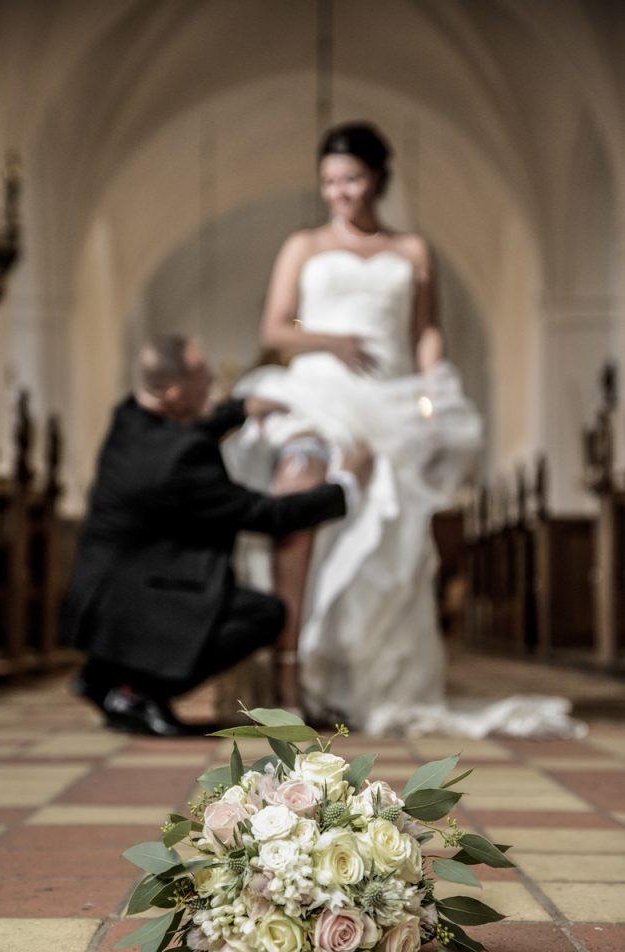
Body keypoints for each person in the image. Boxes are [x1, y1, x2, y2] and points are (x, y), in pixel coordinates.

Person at [225, 121, 584, 738]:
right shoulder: (304, 245)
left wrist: (433, 389)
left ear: (379, 179)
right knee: (300, 487)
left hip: (389, 397)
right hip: (320, 389)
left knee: (385, 534)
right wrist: (331, 339)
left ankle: (355, 676)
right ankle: (289, 668)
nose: (340, 193)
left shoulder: (412, 250)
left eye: (352, 179)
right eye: (330, 182)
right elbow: (275, 330)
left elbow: (424, 330)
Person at [62, 333, 372, 737]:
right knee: (265, 613)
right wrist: (345, 483)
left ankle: (103, 675)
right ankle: (139, 690)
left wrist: (240, 409)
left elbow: (185, 430)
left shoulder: (130, 416)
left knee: (221, 597)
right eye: (202, 376)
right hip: (135, 601)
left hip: (104, 592)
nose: (212, 382)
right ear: (174, 392)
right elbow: (269, 515)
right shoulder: (182, 459)